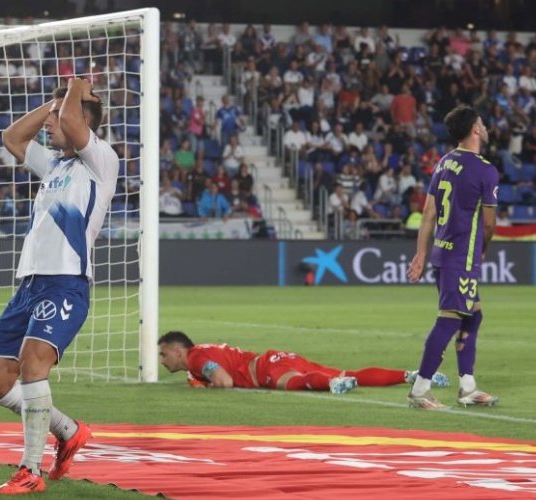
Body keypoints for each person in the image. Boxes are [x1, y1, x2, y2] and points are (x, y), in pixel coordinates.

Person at [0, 78, 119, 495]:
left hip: (65, 283)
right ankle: (69, 430)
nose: (50, 125)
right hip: (29, 283)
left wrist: (75, 88)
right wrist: (53, 103)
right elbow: (12, 137)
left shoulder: (100, 160)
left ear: (82, 122)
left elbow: (76, 128)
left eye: (58, 120)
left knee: (32, 364)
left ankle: (29, 470)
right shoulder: (55, 166)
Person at [406, 104, 500, 410]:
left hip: (442, 254)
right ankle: (420, 390)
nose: (485, 127)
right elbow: (487, 224)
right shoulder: (485, 169)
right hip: (461, 257)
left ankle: (468, 387)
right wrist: (483, 250)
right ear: (475, 128)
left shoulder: (445, 162)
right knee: (448, 321)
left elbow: (428, 214)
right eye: (482, 123)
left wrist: (420, 253)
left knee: (473, 313)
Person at [157, 331, 449, 393]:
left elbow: (225, 381)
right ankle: (413, 375)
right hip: (277, 356)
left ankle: (333, 384)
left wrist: (207, 387)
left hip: (265, 368)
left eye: (163, 354)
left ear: (177, 350)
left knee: (293, 384)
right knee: (353, 373)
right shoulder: (201, 354)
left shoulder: (196, 357)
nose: (161, 360)